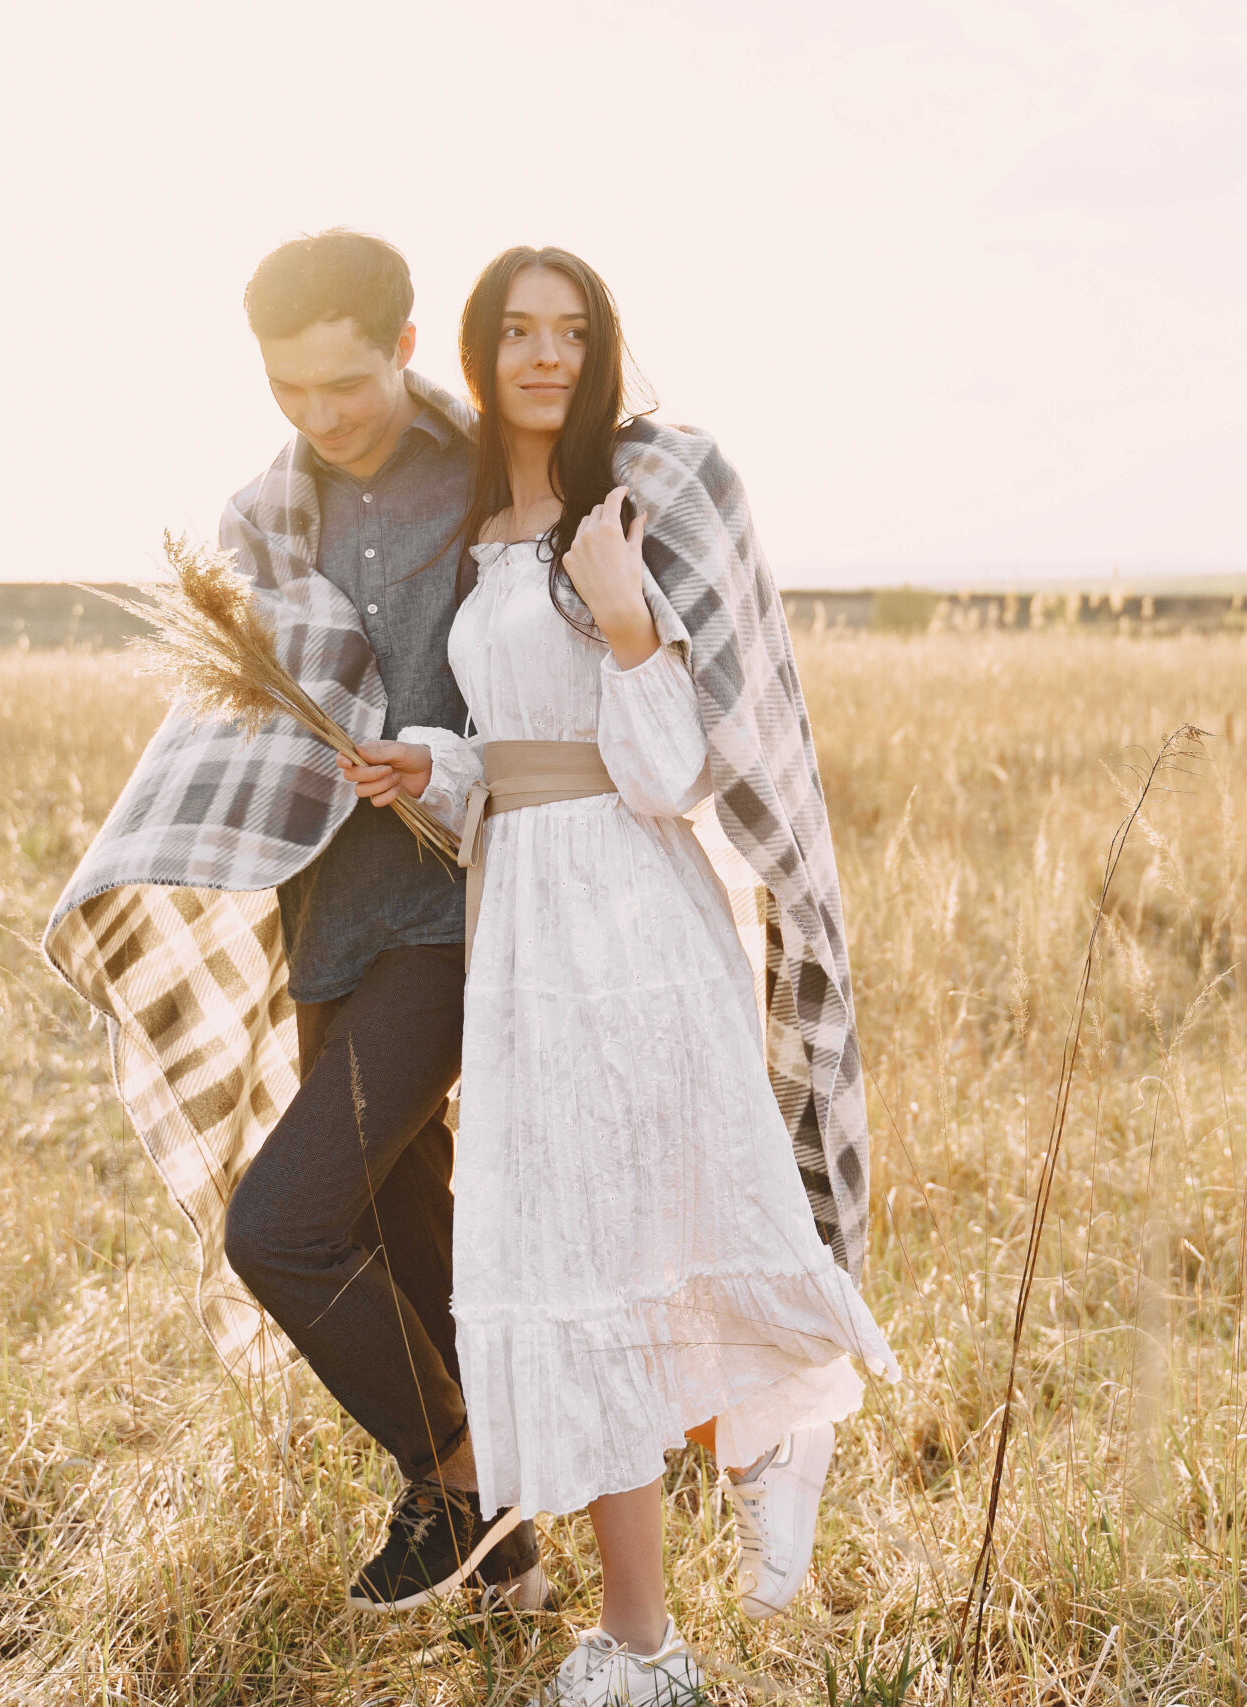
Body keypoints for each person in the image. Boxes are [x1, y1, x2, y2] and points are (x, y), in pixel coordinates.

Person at [345, 246, 898, 1706]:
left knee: (650, 1240)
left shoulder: (625, 511)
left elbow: (666, 775)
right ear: (478, 353)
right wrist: (432, 765)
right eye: (518, 333)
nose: (545, 356)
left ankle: (766, 1441)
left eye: (571, 333)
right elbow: (520, 757)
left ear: (600, 352)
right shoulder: (482, 529)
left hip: (636, 927)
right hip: (524, 923)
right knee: (565, 1271)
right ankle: (641, 1647)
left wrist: (635, 614)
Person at [43, 229, 543, 1614]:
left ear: (402, 343)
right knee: (401, 1231)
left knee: (283, 1227)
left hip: (459, 910)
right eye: (288, 390)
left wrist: (441, 759)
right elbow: (243, 714)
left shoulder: (497, 473)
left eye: (345, 382)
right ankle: (512, 1577)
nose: (321, 416)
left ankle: (461, 1479)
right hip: (323, 919)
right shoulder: (265, 518)